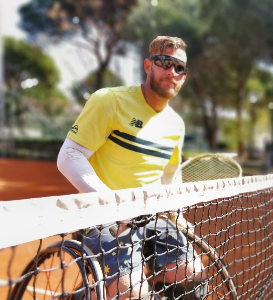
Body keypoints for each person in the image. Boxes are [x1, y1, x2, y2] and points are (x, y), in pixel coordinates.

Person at [57, 36, 206, 300]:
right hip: (102, 218)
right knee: (131, 292)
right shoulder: (109, 100)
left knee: (193, 276)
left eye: (179, 67)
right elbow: (69, 155)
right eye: (165, 62)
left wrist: (176, 213)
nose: (172, 71)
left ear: (184, 77)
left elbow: (170, 176)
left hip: (151, 216)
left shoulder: (176, 124)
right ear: (148, 65)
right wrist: (113, 206)